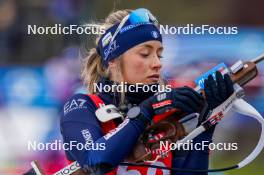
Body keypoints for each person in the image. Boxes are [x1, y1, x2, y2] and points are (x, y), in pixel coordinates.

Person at [60, 8, 234, 175]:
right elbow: (94, 162)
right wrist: (146, 110)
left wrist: (206, 124)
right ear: (112, 60)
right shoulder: (81, 106)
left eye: (160, 54)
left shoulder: (168, 113)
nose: (157, 63)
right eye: (145, 54)